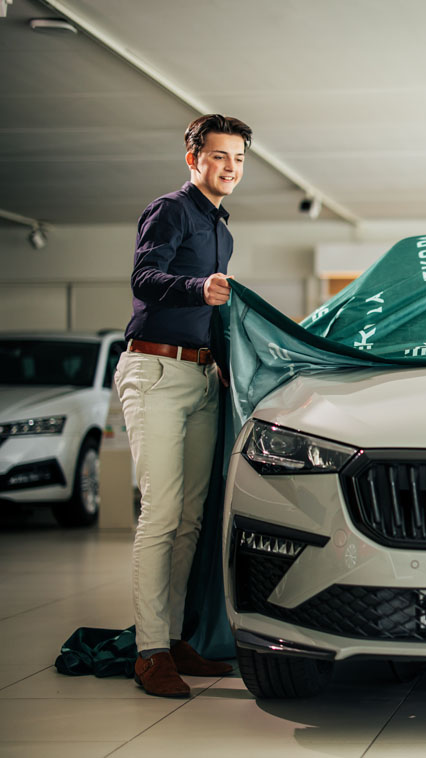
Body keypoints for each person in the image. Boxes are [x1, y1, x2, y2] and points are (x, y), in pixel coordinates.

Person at [115, 114, 251, 698]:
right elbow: (143, 278)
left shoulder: (223, 231)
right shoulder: (171, 209)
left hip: (199, 376)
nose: (230, 168)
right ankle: (149, 652)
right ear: (193, 158)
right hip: (154, 371)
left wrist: (227, 365)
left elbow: (215, 315)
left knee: (191, 519)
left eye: (239, 159)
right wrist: (198, 288)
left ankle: (172, 640)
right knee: (162, 514)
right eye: (220, 156)